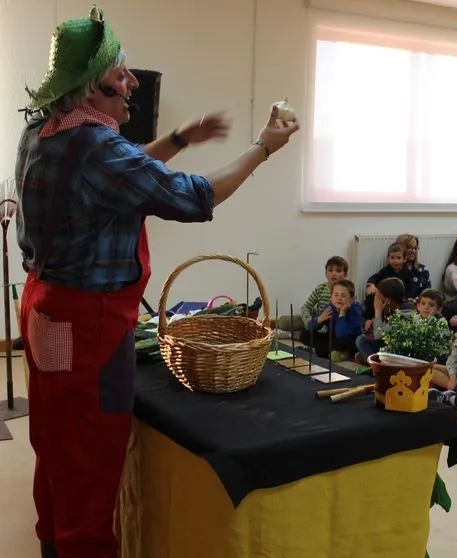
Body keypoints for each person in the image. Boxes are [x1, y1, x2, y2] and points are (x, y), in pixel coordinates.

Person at [15, 8, 298, 558]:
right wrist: (263, 147)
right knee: (92, 459)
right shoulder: (99, 148)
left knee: (56, 443)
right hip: (90, 323)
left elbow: (117, 175)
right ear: (90, 88)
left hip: (46, 307)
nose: (132, 83)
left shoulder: (44, 131)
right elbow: (194, 196)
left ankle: (53, 543)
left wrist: (177, 137)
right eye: (121, 74)